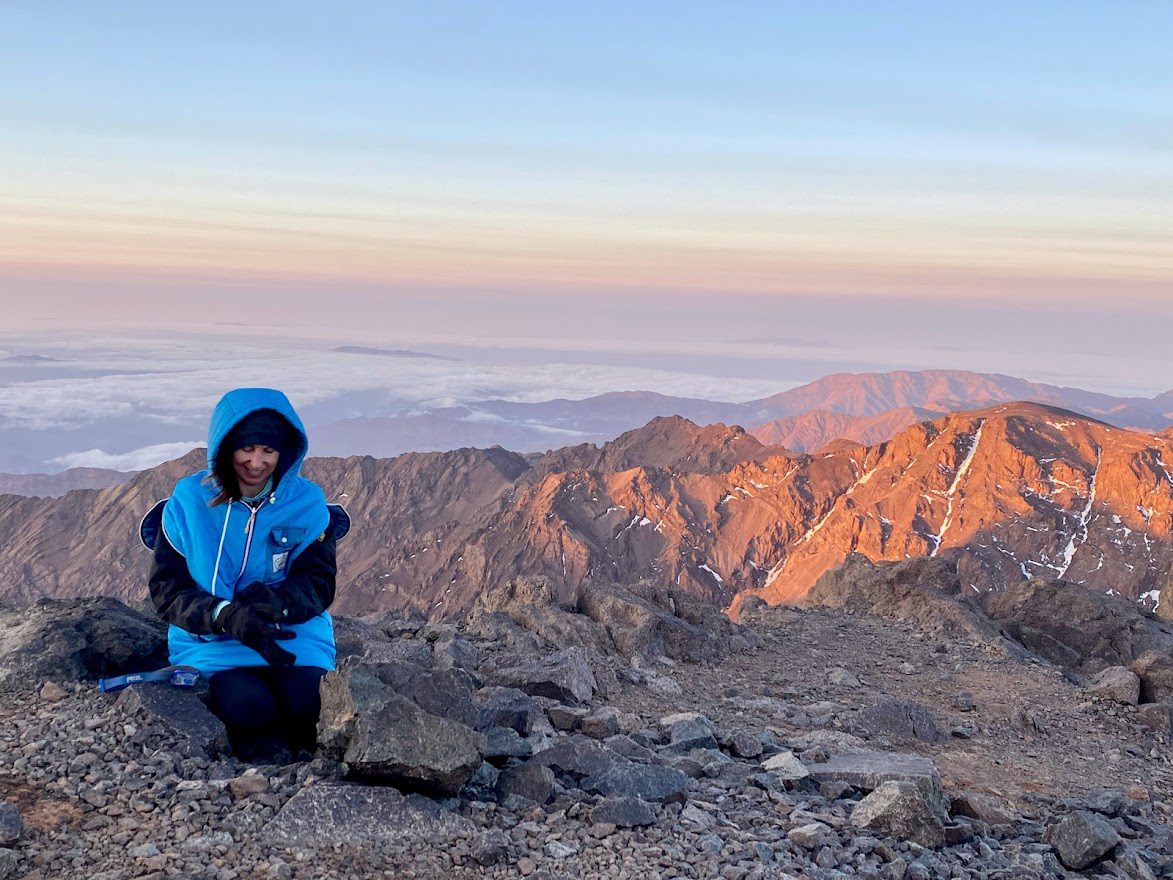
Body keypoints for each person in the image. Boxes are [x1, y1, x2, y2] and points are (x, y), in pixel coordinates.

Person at [147, 387, 342, 761]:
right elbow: (167, 590)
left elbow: (319, 581)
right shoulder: (189, 502)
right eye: (247, 449)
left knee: (308, 703)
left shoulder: (306, 503)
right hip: (211, 640)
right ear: (224, 447)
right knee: (250, 709)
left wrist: (279, 605)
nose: (257, 462)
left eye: (268, 450)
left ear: (285, 452)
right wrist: (224, 615)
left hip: (289, 632)